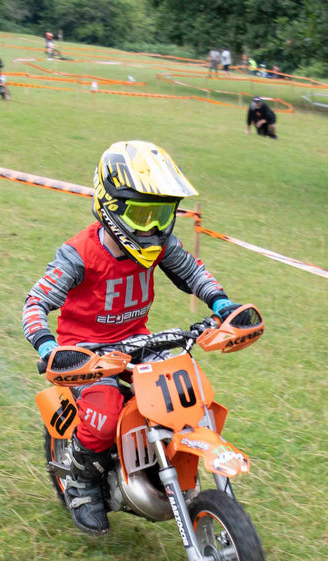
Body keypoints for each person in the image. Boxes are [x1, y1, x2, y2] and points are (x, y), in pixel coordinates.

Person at [21, 141, 246, 535]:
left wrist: (222, 304)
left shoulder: (160, 246)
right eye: (143, 214)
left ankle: (167, 465)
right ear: (111, 206)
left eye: (162, 215)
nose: (154, 228)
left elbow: (193, 273)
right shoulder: (79, 253)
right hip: (87, 354)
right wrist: (47, 346)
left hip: (139, 342)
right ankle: (82, 482)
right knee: (105, 411)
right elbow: (36, 301)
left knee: (184, 398)